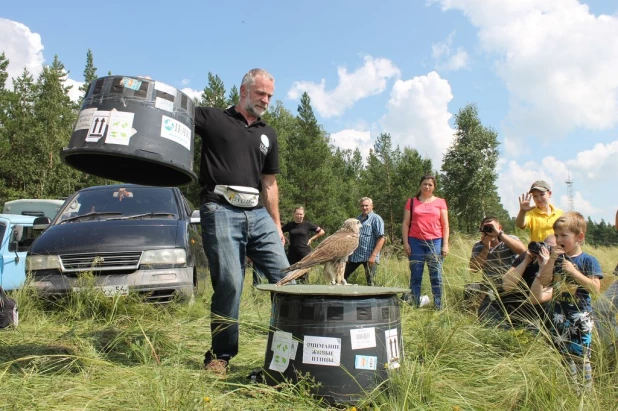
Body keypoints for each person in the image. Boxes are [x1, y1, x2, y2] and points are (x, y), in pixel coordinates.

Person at [194, 68, 290, 376]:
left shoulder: (268, 133)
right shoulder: (212, 119)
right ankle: (220, 354)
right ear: (243, 91)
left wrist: (276, 224)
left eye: (270, 95)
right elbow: (171, 120)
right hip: (220, 208)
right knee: (230, 284)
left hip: (258, 214)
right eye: (261, 93)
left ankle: (290, 350)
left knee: (288, 280)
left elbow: (270, 184)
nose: (265, 100)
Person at [531, 212, 603, 393]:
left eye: (564, 235)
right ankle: (573, 392)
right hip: (559, 316)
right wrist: (551, 260)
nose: (559, 239)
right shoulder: (557, 260)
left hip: (580, 318)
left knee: (581, 357)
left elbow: (595, 289)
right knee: (564, 356)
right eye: (556, 235)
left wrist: (573, 272)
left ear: (579, 237)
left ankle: (587, 395)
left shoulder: (588, 260)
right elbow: (545, 281)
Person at [402, 174, 449, 309]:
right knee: (416, 275)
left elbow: (445, 225)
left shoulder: (440, 202)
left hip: (435, 242)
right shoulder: (411, 202)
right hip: (415, 242)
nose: (427, 186)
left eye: (430, 184)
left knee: (436, 276)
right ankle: (415, 305)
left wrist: (445, 244)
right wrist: (406, 243)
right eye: (425, 184)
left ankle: (438, 307)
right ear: (420, 185)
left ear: (434, 187)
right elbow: (405, 224)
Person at [469, 217, 527, 325]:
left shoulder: (509, 239)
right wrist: (486, 248)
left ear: (499, 228)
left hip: (512, 285)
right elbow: (473, 268)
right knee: (488, 320)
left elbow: (523, 251)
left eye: (491, 227)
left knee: (516, 319)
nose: (489, 230)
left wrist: (499, 235)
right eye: (485, 228)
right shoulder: (478, 245)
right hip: (491, 287)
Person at [500, 235, 558, 329]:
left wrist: (543, 268)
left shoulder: (559, 266)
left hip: (538, 313)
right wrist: (526, 261)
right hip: (516, 309)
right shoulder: (527, 257)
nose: (544, 250)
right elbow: (507, 285)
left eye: (549, 248)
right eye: (543, 245)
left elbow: (536, 299)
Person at [343, 197, 385, 286]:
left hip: (369, 256)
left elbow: (381, 238)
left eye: (366, 205)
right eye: (362, 206)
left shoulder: (376, 219)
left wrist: (373, 256)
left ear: (372, 206)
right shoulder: (358, 219)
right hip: (355, 255)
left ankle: (373, 299)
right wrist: (347, 255)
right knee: (341, 277)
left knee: (371, 282)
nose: (364, 207)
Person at [281, 206, 325, 283]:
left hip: (304, 252)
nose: (299, 216)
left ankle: (304, 289)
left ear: (303, 215)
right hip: (292, 252)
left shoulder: (307, 224)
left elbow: (321, 232)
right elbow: (278, 231)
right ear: (294, 214)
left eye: (301, 214)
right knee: (292, 272)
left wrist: (311, 239)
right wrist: (285, 238)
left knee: (304, 273)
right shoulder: (290, 225)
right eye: (297, 214)